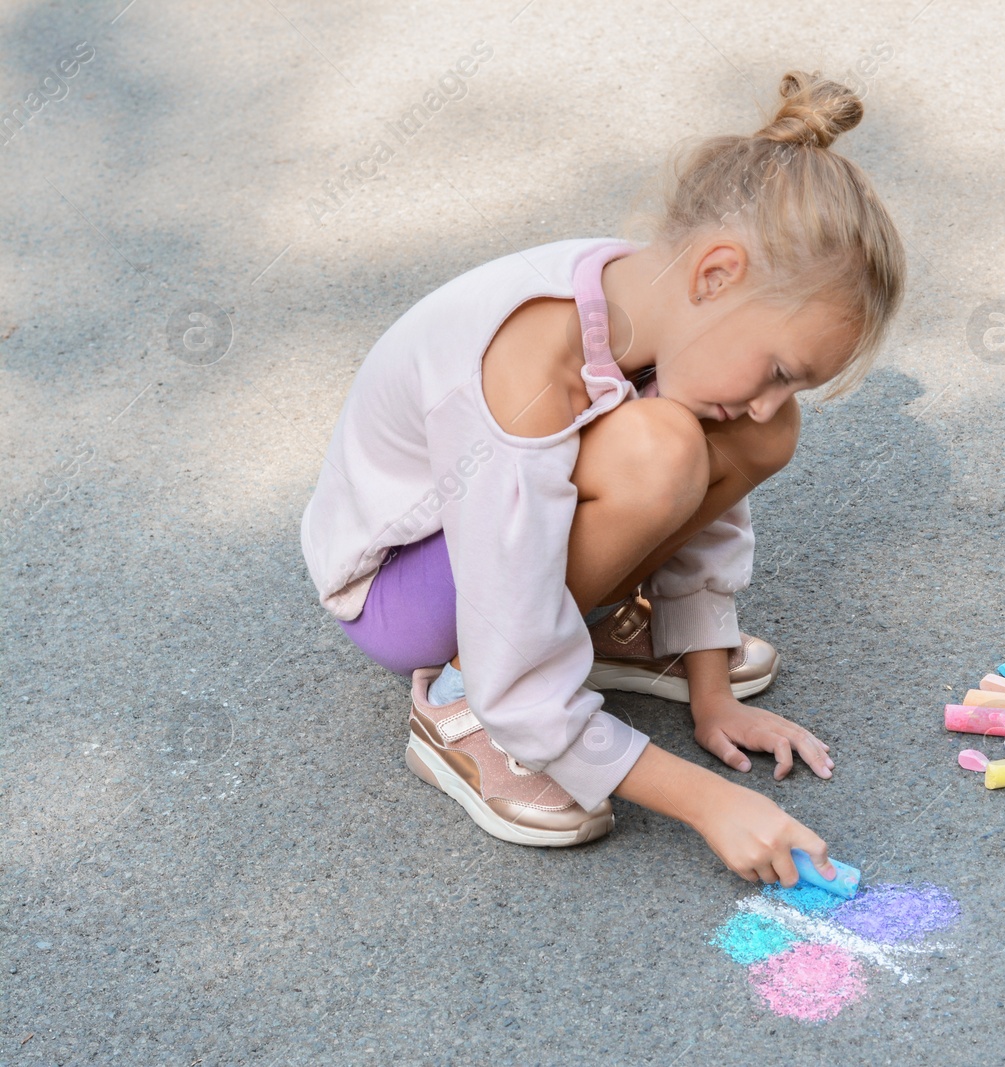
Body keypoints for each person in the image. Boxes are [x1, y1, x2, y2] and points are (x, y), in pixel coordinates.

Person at [300, 70, 905, 889]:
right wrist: (710, 801)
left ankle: (605, 626)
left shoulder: (659, 303)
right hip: (403, 585)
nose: (770, 400)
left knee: (733, 436)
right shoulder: (526, 366)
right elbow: (526, 588)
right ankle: (457, 700)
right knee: (659, 447)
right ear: (717, 275)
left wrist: (712, 691)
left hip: (506, 536)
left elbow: (712, 495)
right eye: (777, 369)